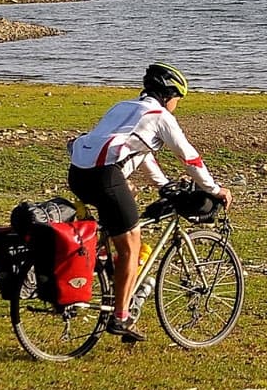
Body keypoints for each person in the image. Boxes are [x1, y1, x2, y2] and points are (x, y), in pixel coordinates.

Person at [66, 61, 231, 342]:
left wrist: (163, 184)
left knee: (115, 233)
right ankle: (120, 317)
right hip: (105, 176)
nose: (177, 104)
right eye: (178, 99)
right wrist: (215, 190)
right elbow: (189, 157)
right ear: (169, 95)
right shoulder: (160, 116)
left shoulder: (122, 107)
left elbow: (140, 153)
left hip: (78, 173)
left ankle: (104, 269)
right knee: (131, 245)